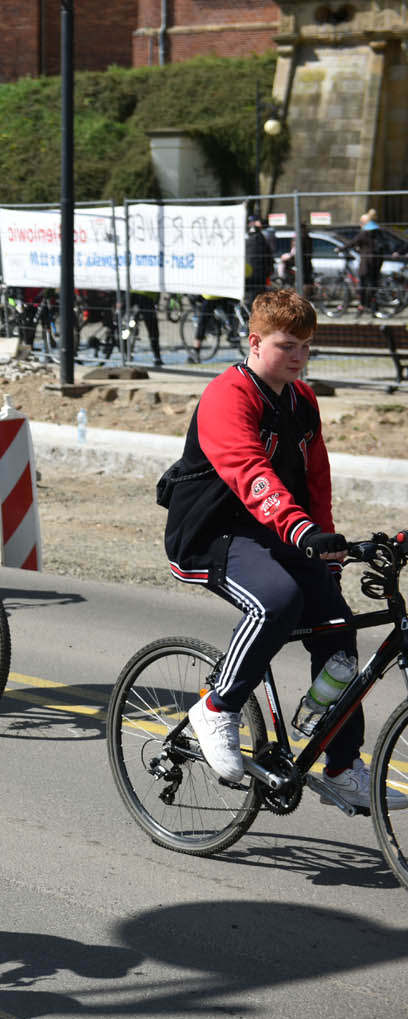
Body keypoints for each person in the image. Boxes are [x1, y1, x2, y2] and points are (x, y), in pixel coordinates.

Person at [163, 288, 403, 812]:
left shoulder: (302, 399)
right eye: (287, 345)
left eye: (306, 347)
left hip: (279, 533)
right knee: (276, 599)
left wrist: (327, 543)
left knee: (338, 633)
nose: (298, 357)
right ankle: (217, 706)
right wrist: (300, 531)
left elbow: (316, 479)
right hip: (213, 535)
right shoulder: (228, 394)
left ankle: (340, 765)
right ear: (254, 342)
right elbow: (250, 472)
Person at [341, 209, 389, 311]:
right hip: (378, 261)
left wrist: (340, 248)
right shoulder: (378, 232)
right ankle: (373, 304)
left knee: (363, 283)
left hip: (367, 262)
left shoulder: (364, 233)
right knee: (373, 283)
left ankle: (364, 304)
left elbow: (352, 243)